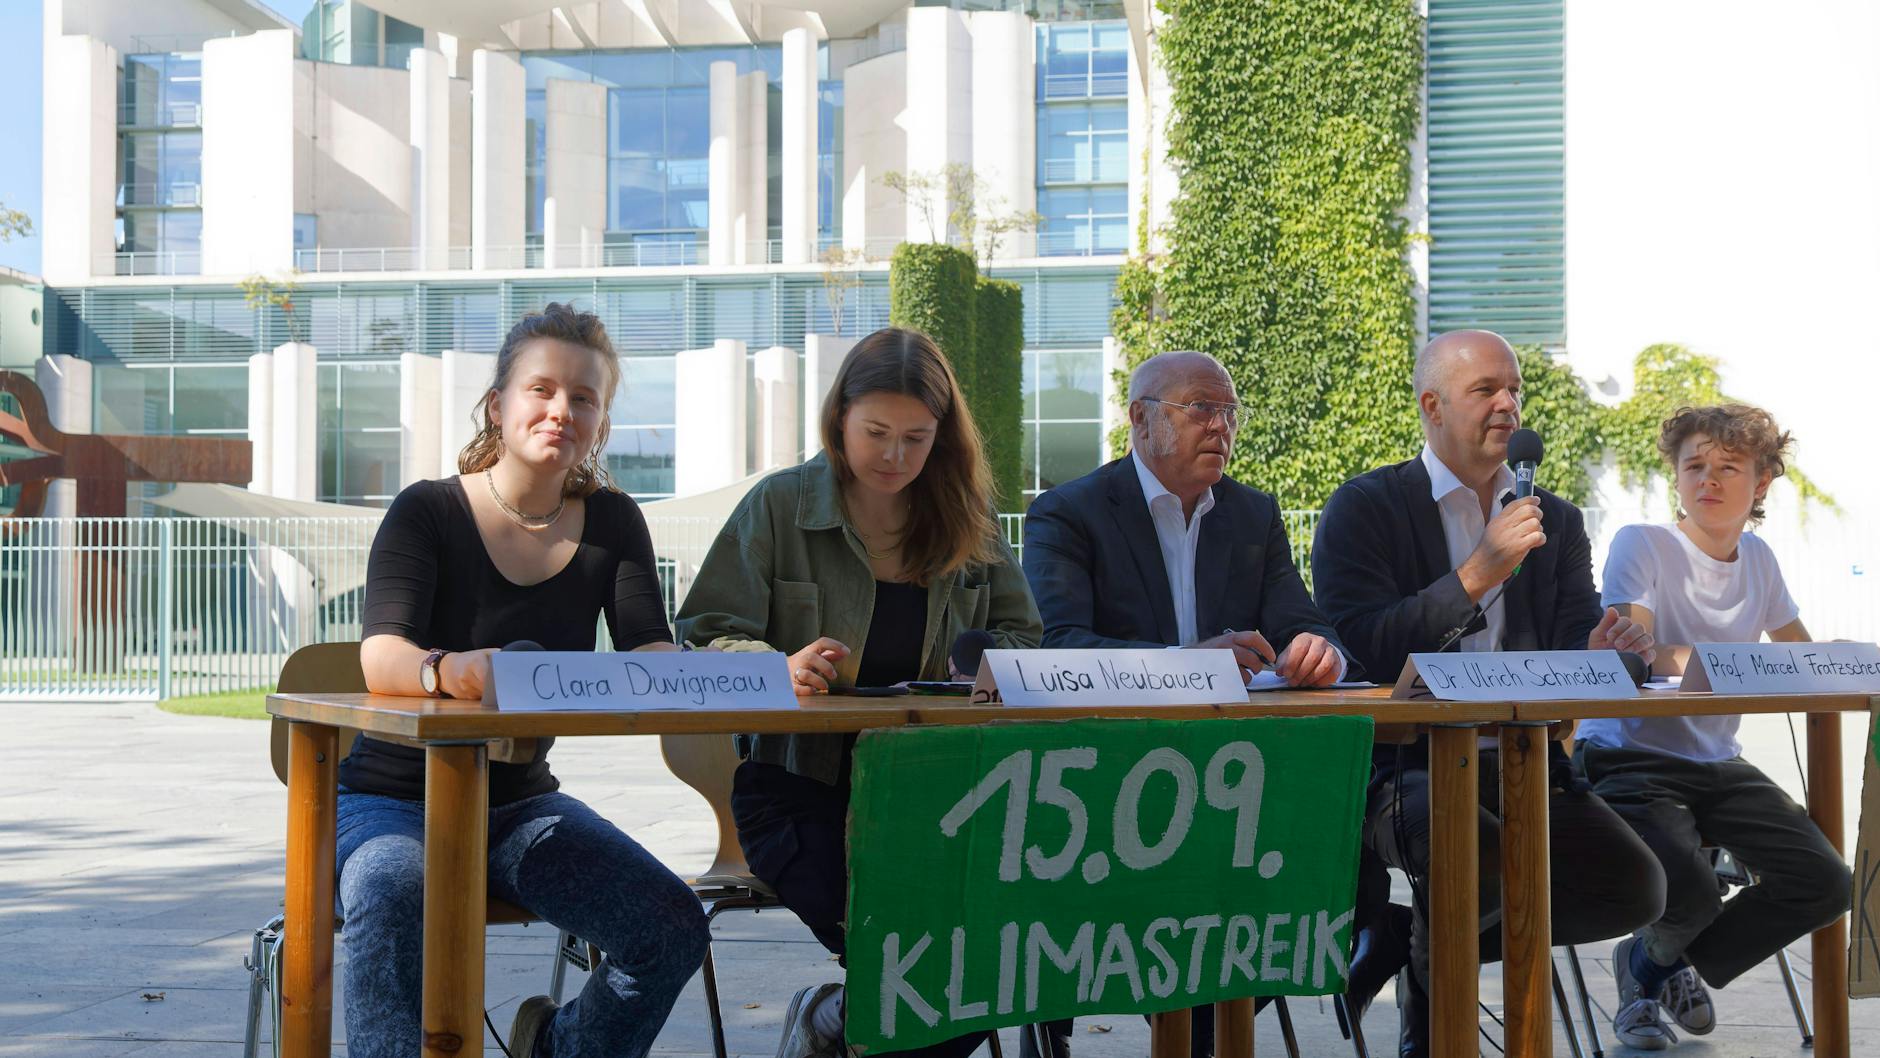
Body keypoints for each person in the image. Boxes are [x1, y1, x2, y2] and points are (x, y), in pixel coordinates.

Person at [343, 303, 709, 1058]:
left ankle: (555, 1049)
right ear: (497, 406)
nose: (561, 410)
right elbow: (380, 653)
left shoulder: (613, 522)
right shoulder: (427, 511)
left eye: (584, 398)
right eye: (541, 389)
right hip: (388, 801)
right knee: (395, 890)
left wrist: (759, 673)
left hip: (517, 808)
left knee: (670, 927)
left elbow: (651, 654)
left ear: (601, 422)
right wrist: (446, 671)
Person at [676, 327, 1043, 1058]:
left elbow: (1026, 636)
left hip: (939, 799)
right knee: (925, 976)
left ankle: (836, 1024)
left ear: (942, 437)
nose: (894, 456)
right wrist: (771, 667)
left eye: (917, 437)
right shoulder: (780, 505)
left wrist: (994, 667)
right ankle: (838, 1021)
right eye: (876, 432)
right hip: (795, 793)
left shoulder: (966, 518)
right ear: (838, 416)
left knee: (972, 979)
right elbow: (702, 633)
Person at [1311, 329, 1667, 1058]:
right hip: (1400, 769)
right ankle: (1433, 1035)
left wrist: (1603, 653)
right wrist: (1479, 571)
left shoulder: (1555, 520)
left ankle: (1422, 941)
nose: (1508, 405)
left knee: (1635, 887)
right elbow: (1362, 647)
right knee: (1474, 858)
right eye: (1486, 391)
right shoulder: (1364, 507)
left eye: (1515, 391)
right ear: (1432, 406)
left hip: (1525, 763)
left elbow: (1574, 640)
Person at [1020, 350, 1359, 1058]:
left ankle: (1197, 1028)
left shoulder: (1253, 515)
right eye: (1200, 407)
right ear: (1142, 419)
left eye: (1229, 411)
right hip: (1100, 779)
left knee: (1331, 870)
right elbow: (1057, 646)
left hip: (1235, 779)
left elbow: (1308, 621)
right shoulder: (1068, 511)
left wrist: (1319, 652)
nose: (1221, 425)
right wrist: (1181, 666)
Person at [1573, 404, 1851, 1050]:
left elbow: (1798, 657)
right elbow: (1634, 657)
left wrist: (1837, 659)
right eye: (1693, 465)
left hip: (1715, 764)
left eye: (1728, 467)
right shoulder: (1643, 543)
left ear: (1761, 484)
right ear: (1675, 477)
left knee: (1827, 882)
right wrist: (1735, 663)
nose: (1708, 479)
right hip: (1627, 756)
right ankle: (1656, 969)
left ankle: (1654, 963)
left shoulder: (1759, 560)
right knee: (1692, 894)